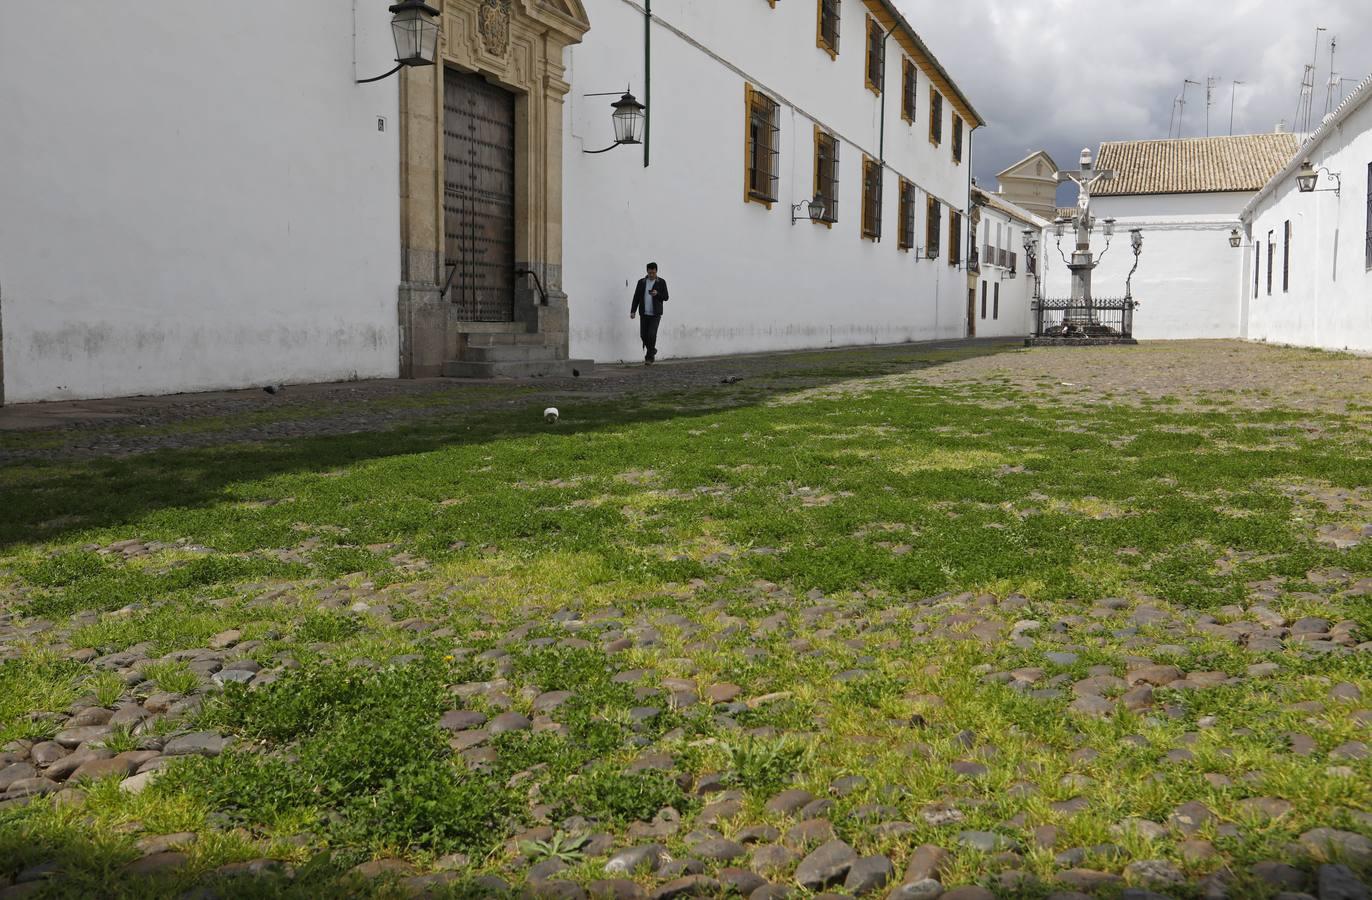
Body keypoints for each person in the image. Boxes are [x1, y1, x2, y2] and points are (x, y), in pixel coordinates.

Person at [629, 262, 669, 365]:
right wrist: (633, 311)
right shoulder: (641, 282)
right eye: (649, 272)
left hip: (656, 314)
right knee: (643, 335)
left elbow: (666, 297)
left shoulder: (661, 282)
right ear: (647, 271)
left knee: (651, 334)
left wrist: (657, 294)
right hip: (644, 313)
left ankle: (649, 358)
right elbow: (636, 297)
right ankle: (652, 351)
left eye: (653, 273)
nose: (651, 275)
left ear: (656, 271)